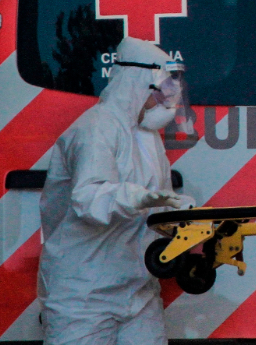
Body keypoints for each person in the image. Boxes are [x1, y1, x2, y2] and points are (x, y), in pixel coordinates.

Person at [38, 37, 195, 345]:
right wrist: (139, 197)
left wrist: (182, 216)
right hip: (84, 296)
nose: (165, 99)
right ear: (137, 83)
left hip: (138, 292)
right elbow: (89, 199)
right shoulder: (95, 129)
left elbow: (157, 207)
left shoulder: (147, 139)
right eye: (161, 89)